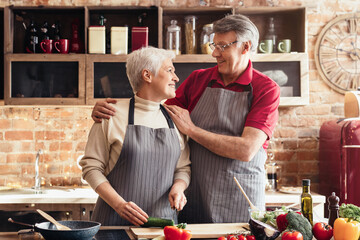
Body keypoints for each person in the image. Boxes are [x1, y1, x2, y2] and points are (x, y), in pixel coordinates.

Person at [91, 14, 280, 224]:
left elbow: (246, 150)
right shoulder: (198, 80)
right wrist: (113, 109)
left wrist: (192, 130)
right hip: (196, 195)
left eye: (222, 46)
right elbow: (154, 108)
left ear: (245, 47)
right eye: (214, 45)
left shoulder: (266, 89)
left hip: (240, 197)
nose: (214, 53)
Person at [80, 47, 191, 233]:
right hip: (113, 226)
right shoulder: (110, 114)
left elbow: (183, 168)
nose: (176, 78)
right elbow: (91, 168)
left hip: (162, 228)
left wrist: (179, 188)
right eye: (170, 70)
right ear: (147, 75)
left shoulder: (176, 119)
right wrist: (119, 205)